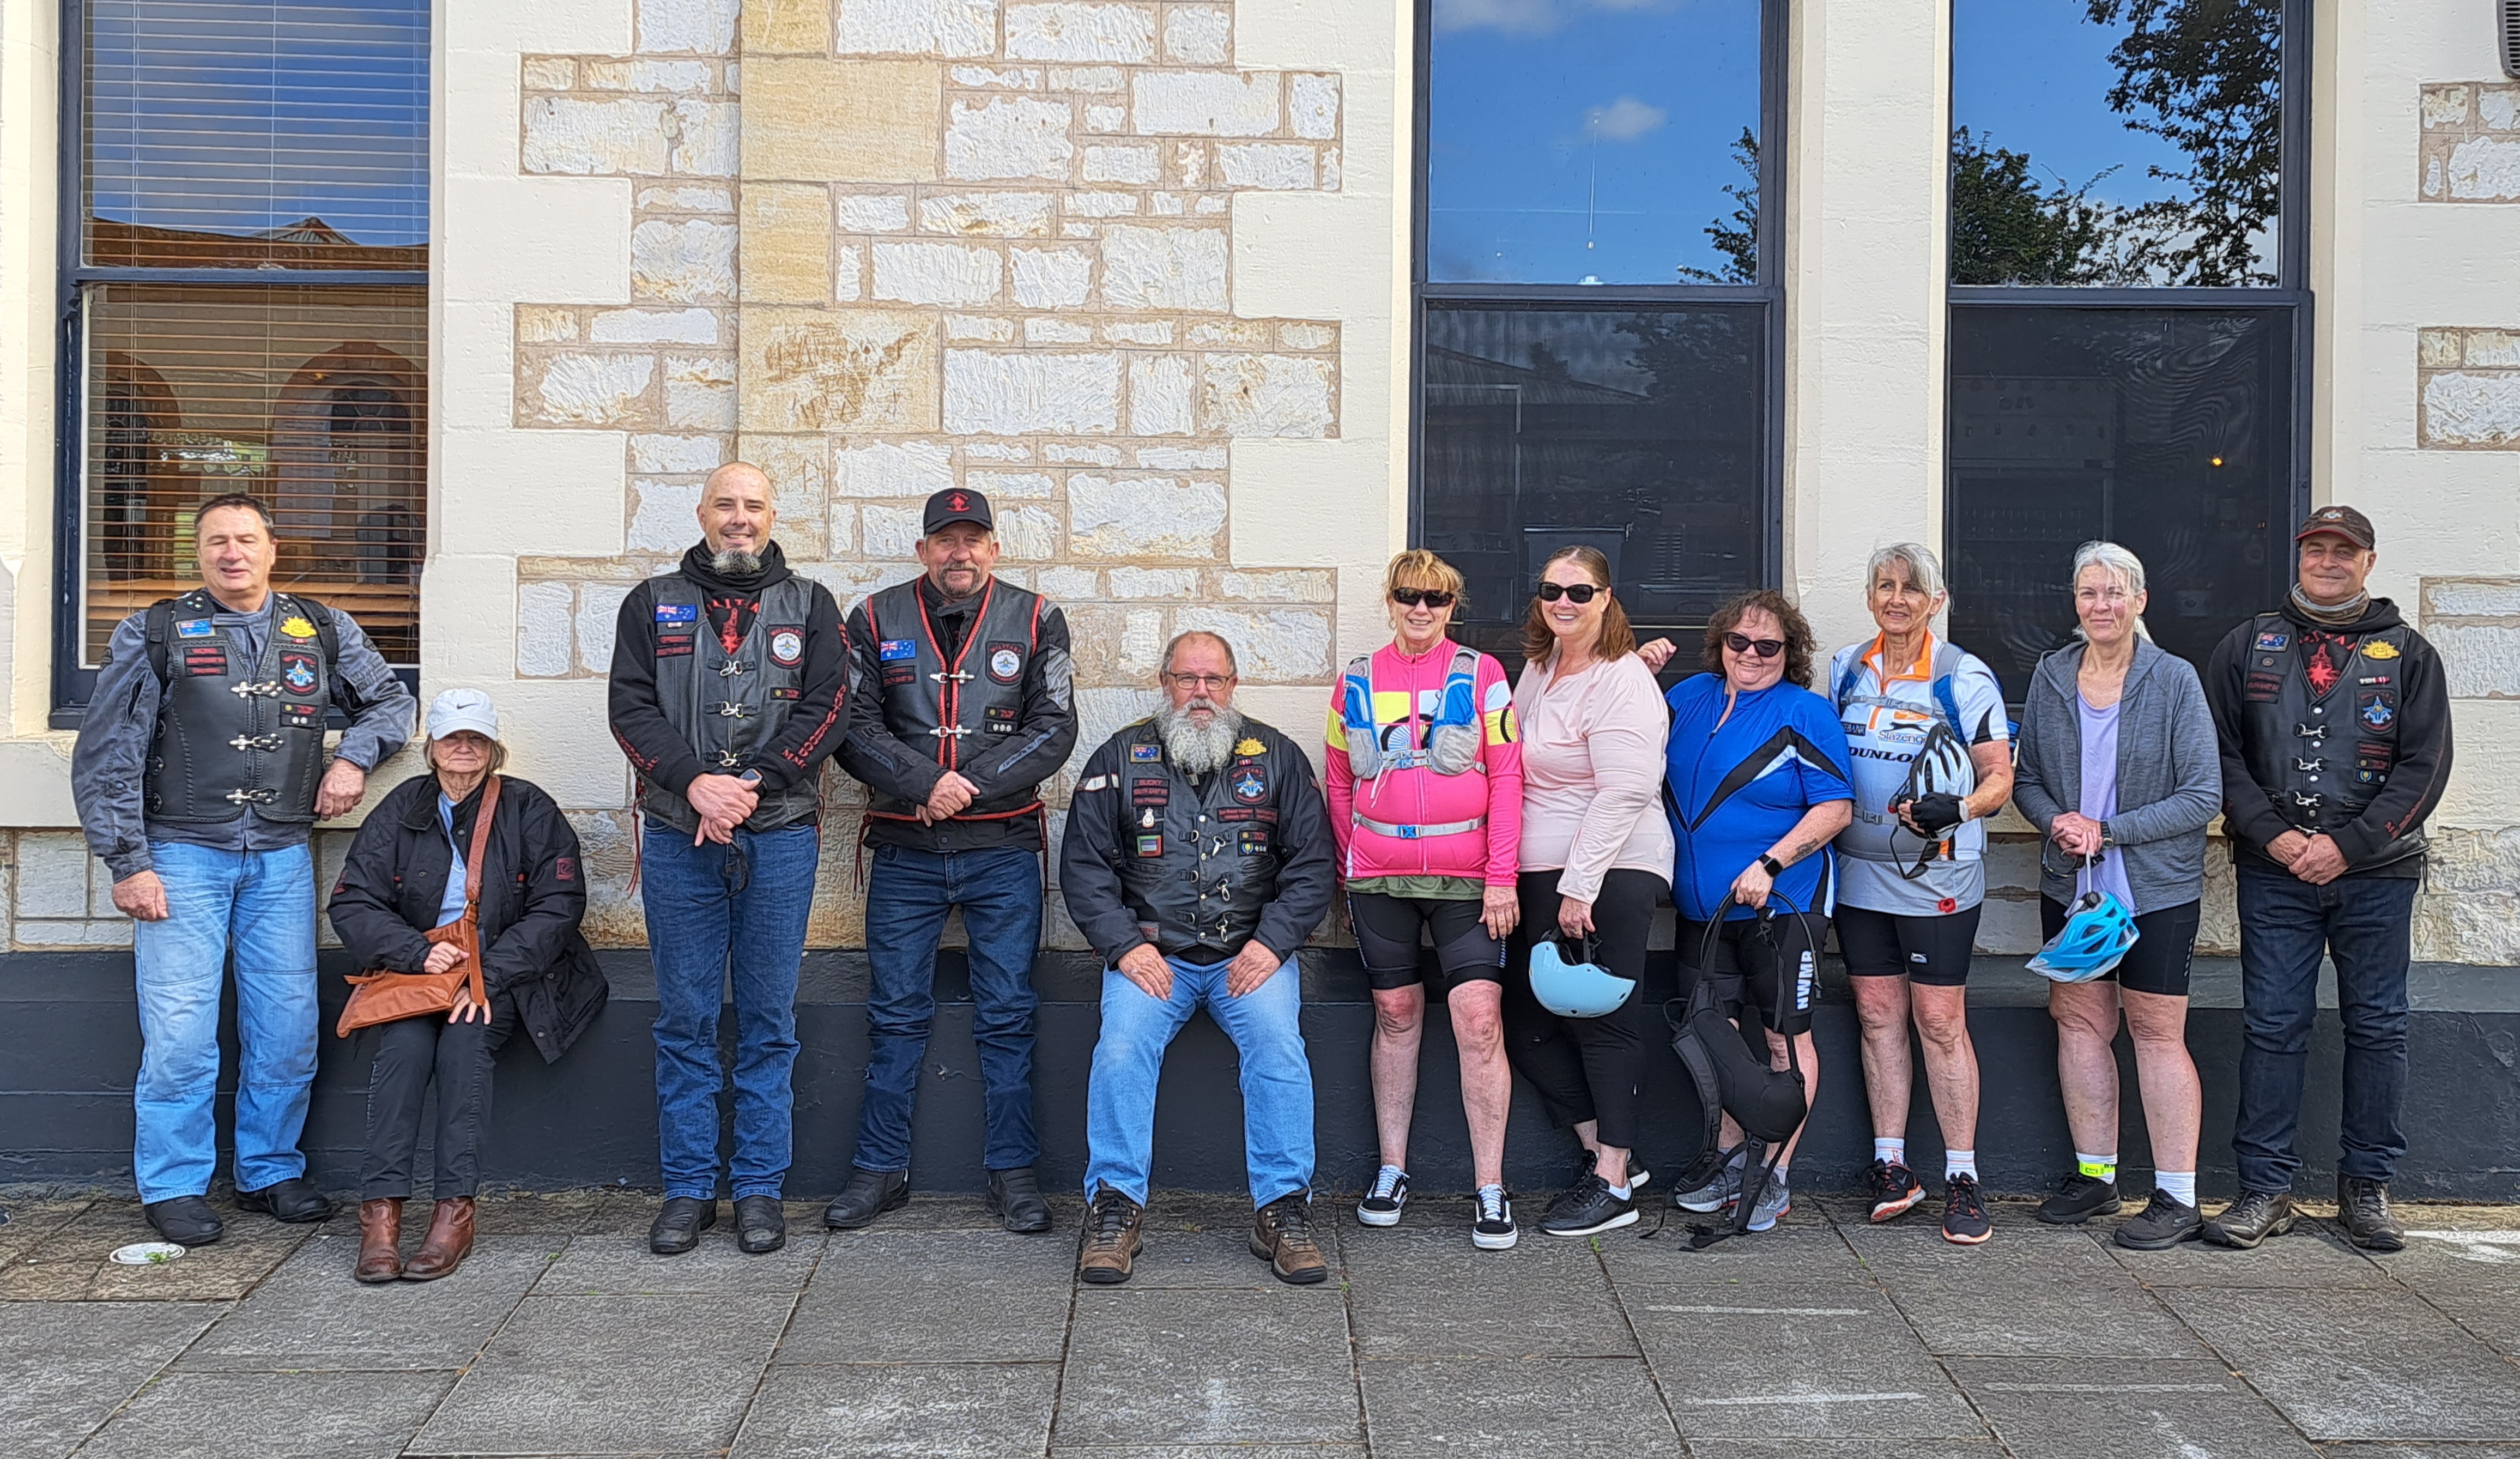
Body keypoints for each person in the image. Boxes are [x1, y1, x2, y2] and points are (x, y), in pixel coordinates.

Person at [71, 492, 415, 1246]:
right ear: (198, 554)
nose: (232, 553)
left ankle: (269, 1169)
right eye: (217, 542)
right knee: (181, 1033)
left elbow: (392, 702)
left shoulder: (319, 627)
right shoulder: (155, 630)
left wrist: (353, 759)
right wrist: (128, 861)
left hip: (283, 857)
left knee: (286, 1026)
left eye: (246, 539)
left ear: (271, 549)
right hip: (180, 855)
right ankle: (173, 1184)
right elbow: (107, 754)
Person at [608, 462, 848, 1257]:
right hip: (681, 835)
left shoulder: (811, 606)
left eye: (753, 505)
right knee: (685, 1018)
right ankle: (687, 1187)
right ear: (703, 512)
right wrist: (696, 786)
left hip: (778, 831)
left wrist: (750, 786)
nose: (739, 518)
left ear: (772, 514)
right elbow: (630, 707)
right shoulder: (650, 604)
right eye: (725, 505)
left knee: (770, 1021)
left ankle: (757, 1189)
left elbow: (829, 706)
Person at [2202, 506, 2454, 1253]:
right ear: (2300, 556)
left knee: (2379, 1026)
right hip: (2273, 871)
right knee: (2273, 1025)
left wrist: (2347, 845)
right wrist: (2276, 835)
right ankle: (2265, 1189)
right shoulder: (2248, 644)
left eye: (2344, 551)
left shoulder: (2410, 655)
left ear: (2368, 561)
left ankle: (2367, 1188)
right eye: (2317, 549)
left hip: (2377, 873)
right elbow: (2218, 752)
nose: (2329, 561)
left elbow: (2425, 766)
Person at [827, 487, 1076, 1234]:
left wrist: (965, 790)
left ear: (993, 549)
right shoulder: (871, 618)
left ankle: (1014, 1172)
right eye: (945, 540)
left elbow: (1054, 726)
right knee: (895, 1016)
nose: (959, 553)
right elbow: (852, 724)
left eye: (973, 540)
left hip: (1002, 850)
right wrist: (921, 784)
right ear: (924, 549)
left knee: (1007, 1015)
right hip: (905, 852)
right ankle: (880, 1170)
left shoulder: (1037, 618)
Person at [1063, 631, 1336, 1286]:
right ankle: (1115, 1207)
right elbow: (1084, 866)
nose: (1201, 693)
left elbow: (1312, 864)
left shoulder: (1276, 757)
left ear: (1233, 685)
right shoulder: (1121, 757)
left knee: (1277, 1045)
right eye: (1187, 679)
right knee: (1121, 1048)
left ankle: (1281, 1209)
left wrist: (1272, 945)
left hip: (1250, 956)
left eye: (1213, 680)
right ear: (1166, 683)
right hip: (1153, 959)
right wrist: (1126, 946)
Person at [326, 689, 609, 1282]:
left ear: (493, 748)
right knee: (402, 1050)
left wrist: (489, 976)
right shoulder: (403, 807)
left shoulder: (529, 807)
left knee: (463, 1044)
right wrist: (417, 953)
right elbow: (353, 901)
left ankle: (455, 1209)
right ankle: (381, 1213)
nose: (463, 748)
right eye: (452, 738)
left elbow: (559, 907)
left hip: (504, 972)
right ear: (431, 747)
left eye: (475, 739)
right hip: (418, 972)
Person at [2012, 542, 2222, 1250]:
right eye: (2087, 593)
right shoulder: (2051, 675)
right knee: (2080, 1024)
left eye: (2113, 593)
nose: (2100, 605)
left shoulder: (2174, 680)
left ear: (2140, 602)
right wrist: (2059, 822)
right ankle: (2096, 1177)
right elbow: (2028, 778)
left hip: (2153, 888)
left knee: (2156, 1033)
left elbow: (2202, 795)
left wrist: (2111, 829)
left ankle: (2177, 1195)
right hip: (2074, 887)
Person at [1326, 550, 1524, 1249]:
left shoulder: (1484, 675)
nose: (1421, 610)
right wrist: (1352, 866)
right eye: (1409, 596)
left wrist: (1502, 875)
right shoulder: (1356, 677)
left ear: (1451, 606)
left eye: (1436, 600)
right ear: (1390, 600)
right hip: (1380, 876)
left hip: (1468, 877)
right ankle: (1391, 1168)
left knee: (1478, 1019)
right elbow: (1340, 782)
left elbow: (1507, 779)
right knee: (1396, 1012)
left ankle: (1491, 1184)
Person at [1825, 545, 2014, 1244]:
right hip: (1860, 874)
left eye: (1911, 589)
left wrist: (1957, 811)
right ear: (1870, 595)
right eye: (1884, 585)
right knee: (1876, 1013)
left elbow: (2000, 777)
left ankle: (1962, 1174)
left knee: (1938, 1021)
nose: (1896, 598)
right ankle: (1891, 1164)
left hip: (1936, 873)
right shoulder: (1846, 666)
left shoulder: (1962, 676)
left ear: (1935, 600)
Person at [1663, 590, 1853, 1235]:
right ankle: (1729, 1157)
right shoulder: (1686, 698)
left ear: (1789, 653)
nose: (1750, 654)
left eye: (1767, 645)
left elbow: (1834, 808)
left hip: (1784, 908)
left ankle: (1772, 1170)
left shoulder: (1806, 713)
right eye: (1738, 641)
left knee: (1781, 1039)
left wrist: (1770, 864)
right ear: (1720, 643)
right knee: (1714, 1038)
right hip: (1701, 913)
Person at [1500, 547, 1675, 1238]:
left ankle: (1611, 1184)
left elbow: (1628, 787)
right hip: (1541, 874)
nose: (1563, 601)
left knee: (1603, 1019)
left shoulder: (1620, 677)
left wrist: (1580, 887)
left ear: (1606, 597)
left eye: (1579, 590)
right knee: (1529, 1022)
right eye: (1551, 589)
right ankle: (1612, 1156)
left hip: (1609, 871)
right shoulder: (1541, 668)